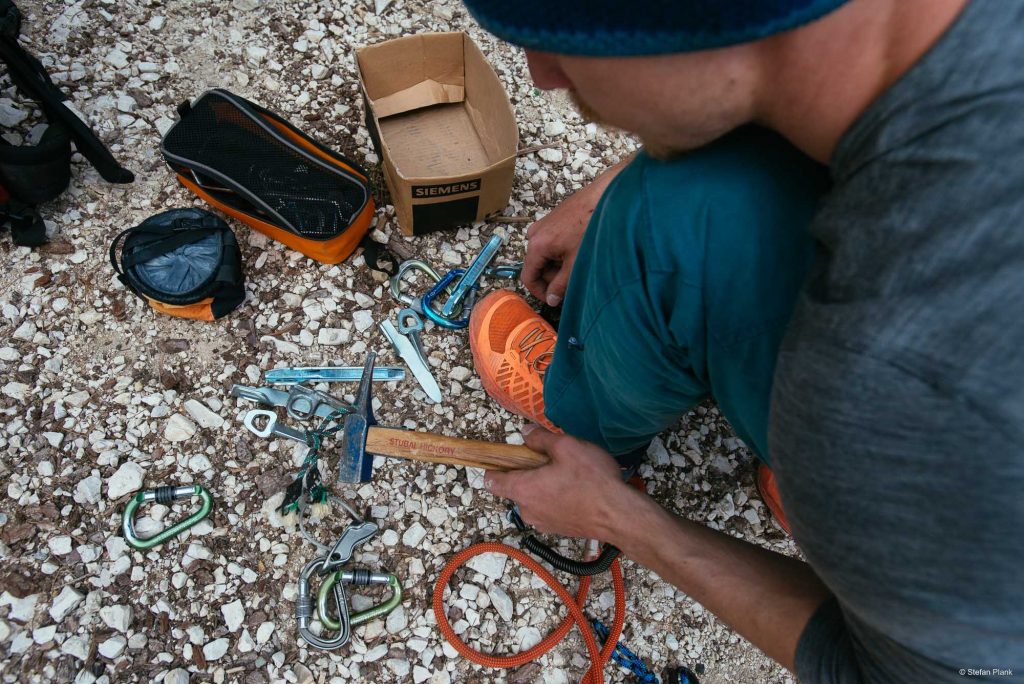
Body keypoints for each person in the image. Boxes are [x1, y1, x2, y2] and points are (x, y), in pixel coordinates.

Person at [460, 0, 1024, 681]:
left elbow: (875, 672)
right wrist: (622, 173)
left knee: (673, 221)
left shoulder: (888, 388)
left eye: (563, 35)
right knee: (676, 200)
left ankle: (596, 438)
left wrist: (619, 517)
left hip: (941, 487)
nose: (543, 74)